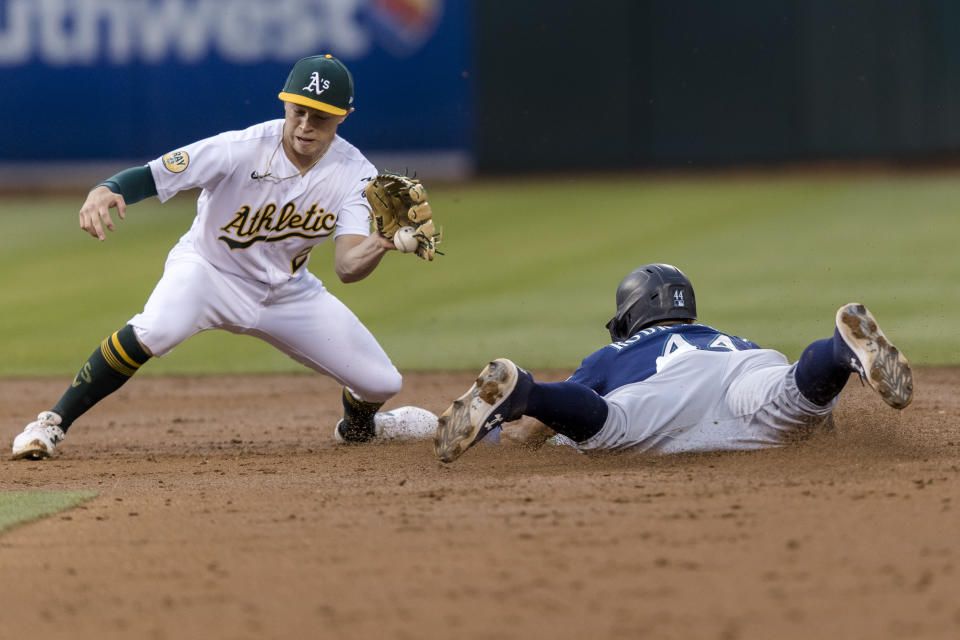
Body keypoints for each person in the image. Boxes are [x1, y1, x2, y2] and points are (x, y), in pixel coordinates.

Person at [12, 54, 436, 460]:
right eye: (298, 111)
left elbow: (346, 267)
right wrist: (106, 189)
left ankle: (359, 430)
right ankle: (50, 423)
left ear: (344, 115)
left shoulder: (357, 174)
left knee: (382, 382)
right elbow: (156, 174)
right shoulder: (240, 148)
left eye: (320, 115)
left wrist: (382, 242)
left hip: (288, 293)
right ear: (285, 104)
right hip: (208, 273)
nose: (305, 125)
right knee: (156, 329)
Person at [433, 263, 913, 463]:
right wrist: (810, 423)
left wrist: (509, 428)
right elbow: (816, 426)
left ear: (633, 314)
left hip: (665, 394)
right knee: (797, 395)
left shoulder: (614, 352)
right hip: (749, 371)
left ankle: (525, 390)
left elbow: (532, 435)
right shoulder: (732, 338)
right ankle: (836, 349)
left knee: (607, 425)